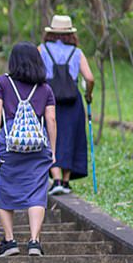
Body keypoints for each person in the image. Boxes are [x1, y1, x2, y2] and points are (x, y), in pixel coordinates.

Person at [0, 42, 58, 257]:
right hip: (37, 147)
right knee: (37, 192)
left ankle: (10, 241)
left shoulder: (1, 82)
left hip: (8, 146)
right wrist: (53, 151)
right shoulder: (45, 88)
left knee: (3, 190)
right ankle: (34, 241)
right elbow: (51, 119)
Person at [38, 15, 94, 195]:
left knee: (50, 135)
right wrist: (88, 93)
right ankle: (66, 181)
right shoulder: (77, 52)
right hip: (72, 100)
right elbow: (90, 78)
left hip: (49, 98)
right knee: (71, 136)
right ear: (71, 34)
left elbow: (35, 74)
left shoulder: (43, 49)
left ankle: (56, 179)